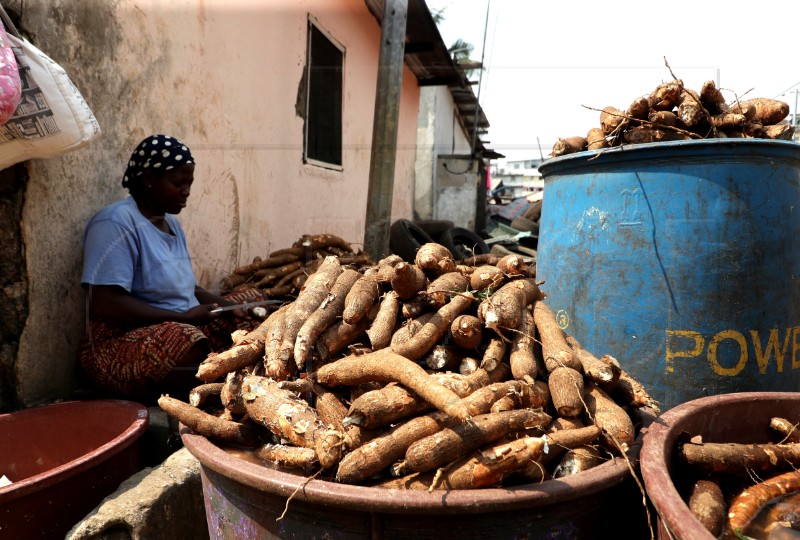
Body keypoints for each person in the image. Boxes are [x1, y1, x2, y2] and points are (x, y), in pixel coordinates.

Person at [79, 134, 264, 403]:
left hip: (179, 323)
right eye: (178, 183)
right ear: (148, 180)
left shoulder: (171, 225)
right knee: (186, 340)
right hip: (116, 342)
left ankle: (219, 374)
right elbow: (103, 303)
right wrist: (183, 317)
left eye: (189, 183)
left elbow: (187, 288)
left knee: (252, 303)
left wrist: (226, 306)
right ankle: (197, 392)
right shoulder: (115, 223)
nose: (186, 191)